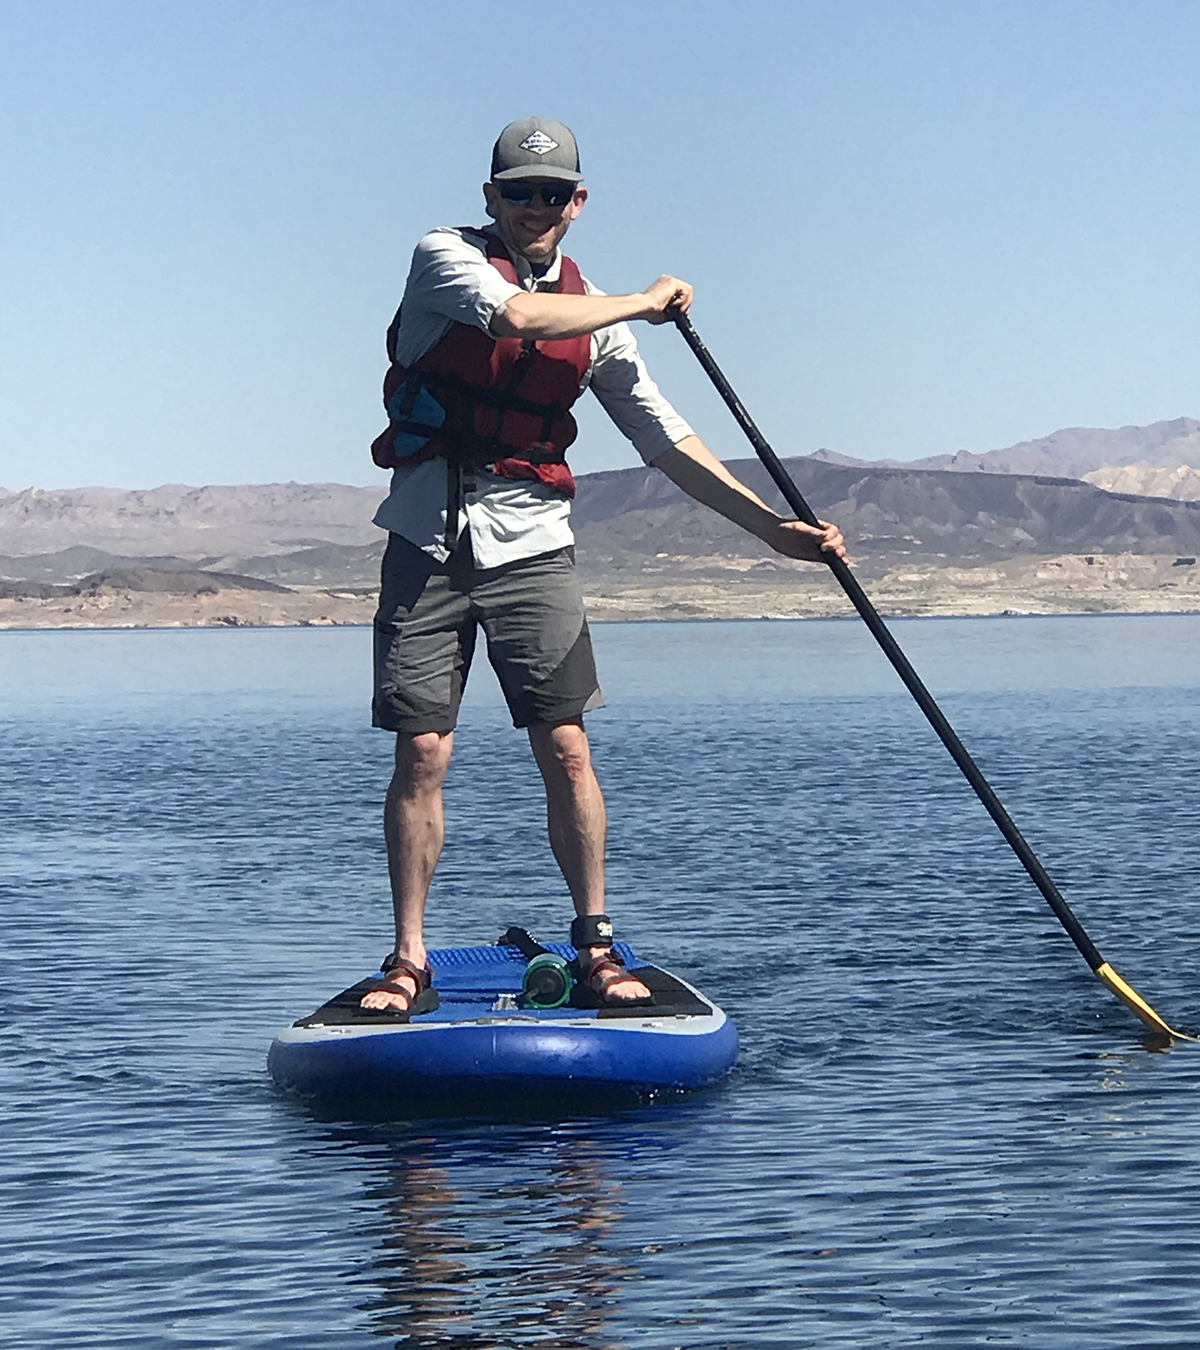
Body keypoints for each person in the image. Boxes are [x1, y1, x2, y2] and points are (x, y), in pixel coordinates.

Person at [361, 117, 845, 1015]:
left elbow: (665, 439)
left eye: (553, 193)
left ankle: (594, 942)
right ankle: (408, 957)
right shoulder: (443, 258)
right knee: (423, 749)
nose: (535, 208)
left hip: (534, 545)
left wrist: (772, 530)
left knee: (568, 745)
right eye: (519, 191)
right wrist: (642, 299)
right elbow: (514, 316)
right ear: (490, 197)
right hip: (426, 540)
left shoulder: (602, 321)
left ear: (578, 203)